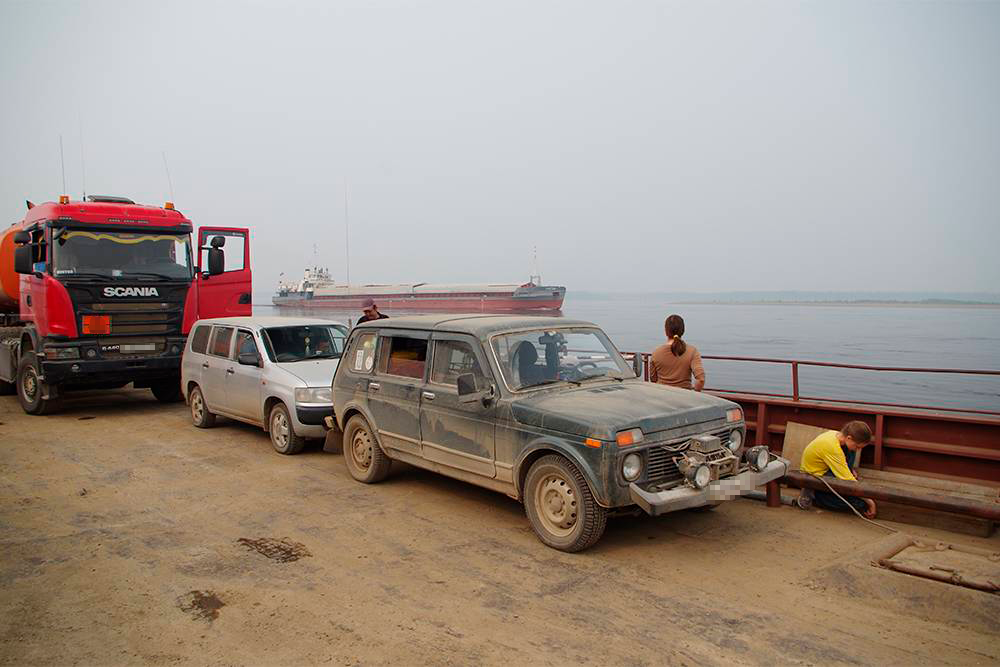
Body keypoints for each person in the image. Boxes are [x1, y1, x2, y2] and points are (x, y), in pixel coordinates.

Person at [797, 421, 877, 518]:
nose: (858, 450)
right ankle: (814, 496)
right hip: (814, 477)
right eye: (857, 446)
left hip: (825, 467)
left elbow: (845, 453)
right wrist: (870, 502)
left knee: (850, 450)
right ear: (849, 438)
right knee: (860, 504)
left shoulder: (836, 435)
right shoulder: (833, 448)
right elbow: (849, 482)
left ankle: (845, 470)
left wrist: (848, 469)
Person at [649, 314, 705, 391]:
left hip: (662, 397)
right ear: (683, 331)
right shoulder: (692, 351)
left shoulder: (656, 352)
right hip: (684, 397)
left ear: (666, 331)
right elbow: (700, 379)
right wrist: (695, 395)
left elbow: (653, 379)